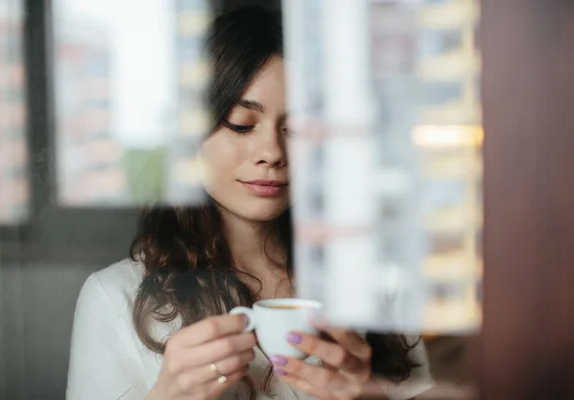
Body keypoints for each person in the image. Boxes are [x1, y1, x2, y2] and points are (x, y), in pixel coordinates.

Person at [66, 6, 433, 400]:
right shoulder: (115, 298)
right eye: (242, 124)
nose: (273, 152)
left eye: (296, 128)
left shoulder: (370, 278)